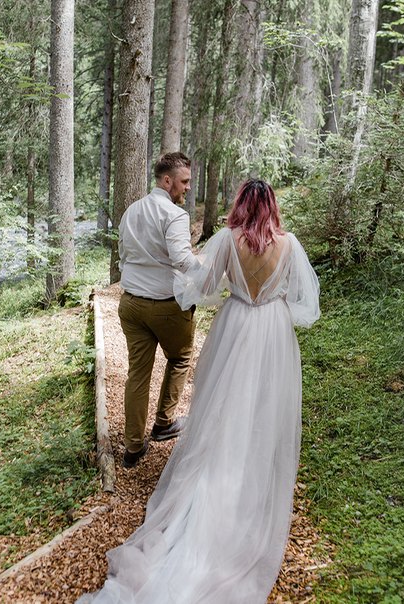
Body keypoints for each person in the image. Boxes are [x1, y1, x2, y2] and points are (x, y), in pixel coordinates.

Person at [77, 179, 321, 603]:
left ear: (242, 206)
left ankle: (217, 474)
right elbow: (305, 303)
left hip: (237, 324)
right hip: (274, 333)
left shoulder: (228, 240)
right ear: (274, 208)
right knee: (264, 405)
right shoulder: (291, 244)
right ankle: (252, 474)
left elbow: (206, 288)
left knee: (224, 403)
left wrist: (189, 286)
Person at [117, 152, 197, 468]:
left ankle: (133, 447)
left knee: (137, 373)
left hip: (130, 304)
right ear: (168, 181)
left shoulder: (131, 211)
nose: (188, 188)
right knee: (180, 357)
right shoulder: (174, 215)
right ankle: (164, 423)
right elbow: (182, 259)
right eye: (185, 181)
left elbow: (123, 254)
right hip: (164, 305)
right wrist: (205, 269)